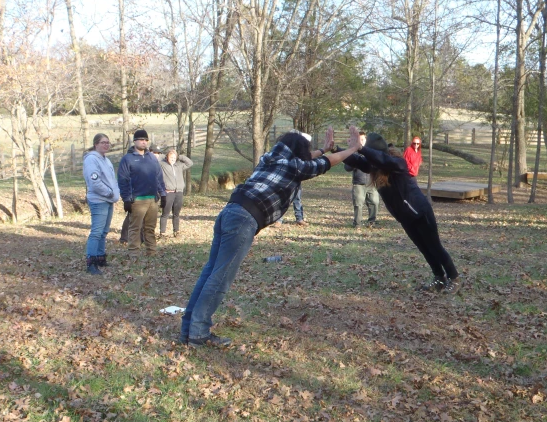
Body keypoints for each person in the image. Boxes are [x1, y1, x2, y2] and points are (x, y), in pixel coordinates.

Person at [179, 126, 363, 347]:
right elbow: (322, 165)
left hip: (229, 212)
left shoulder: (271, 158)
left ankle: (188, 330)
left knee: (210, 272)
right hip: (243, 219)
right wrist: (352, 148)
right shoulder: (294, 166)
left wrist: (323, 149)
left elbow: (311, 160)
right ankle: (198, 333)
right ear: (299, 152)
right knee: (219, 279)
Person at [343, 133, 461, 294]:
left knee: (434, 247)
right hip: (406, 217)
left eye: (371, 153)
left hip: (420, 212)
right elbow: (355, 161)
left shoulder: (398, 164)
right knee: (424, 249)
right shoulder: (375, 166)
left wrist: (361, 148)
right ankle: (439, 278)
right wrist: (336, 149)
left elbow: (384, 160)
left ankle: (453, 278)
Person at [117, 129, 167, 256]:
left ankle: (152, 251)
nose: (144, 142)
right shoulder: (127, 159)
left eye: (145, 140)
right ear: (135, 141)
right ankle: (134, 253)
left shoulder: (151, 158)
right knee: (135, 227)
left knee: (150, 228)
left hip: (153, 199)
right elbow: (123, 180)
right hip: (137, 199)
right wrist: (126, 199)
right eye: (141, 140)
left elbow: (158, 176)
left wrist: (163, 194)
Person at [82, 134, 120, 274]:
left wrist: (115, 192)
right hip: (99, 200)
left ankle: (100, 257)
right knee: (96, 232)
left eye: (108, 143)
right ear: (96, 144)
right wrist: (109, 193)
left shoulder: (106, 160)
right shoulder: (92, 159)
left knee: (104, 232)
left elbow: (111, 179)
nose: (106, 145)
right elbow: (95, 181)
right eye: (103, 142)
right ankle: (91, 262)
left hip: (109, 200)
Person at [344, 131, 379, 228]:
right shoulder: (353, 152)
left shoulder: (371, 152)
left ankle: (372, 222)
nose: (361, 142)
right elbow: (347, 168)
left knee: (374, 202)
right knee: (358, 204)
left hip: (371, 182)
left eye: (363, 140)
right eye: (359, 140)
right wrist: (355, 163)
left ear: (366, 140)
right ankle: (357, 224)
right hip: (359, 183)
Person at [159, 148, 194, 238]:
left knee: (176, 213)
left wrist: (179, 156)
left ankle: (176, 231)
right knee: (165, 213)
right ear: (167, 157)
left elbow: (190, 163)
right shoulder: (163, 165)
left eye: (174, 158)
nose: (173, 159)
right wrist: (165, 155)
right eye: (171, 157)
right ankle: (162, 233)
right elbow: (158, 158)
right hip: (169, 192)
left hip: (178, 192)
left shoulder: (179, 165)